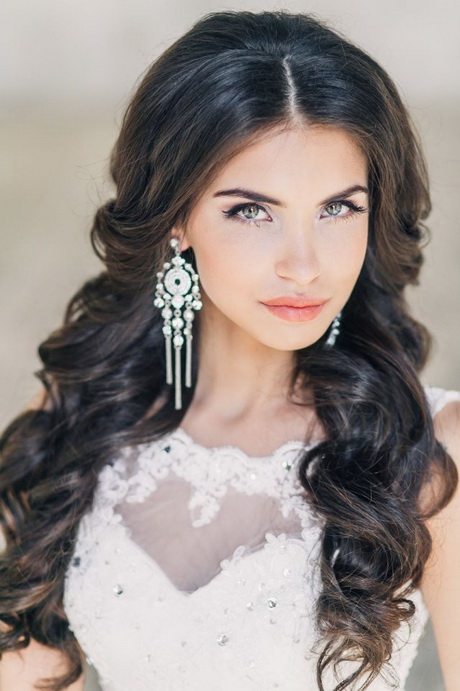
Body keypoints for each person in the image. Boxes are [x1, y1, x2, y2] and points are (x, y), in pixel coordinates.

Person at [0, 8, 459, 691]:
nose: (304, 265)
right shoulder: (75, 419)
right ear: (177, 216)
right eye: (252, 211)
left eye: (338, 208)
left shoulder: (428, 451)